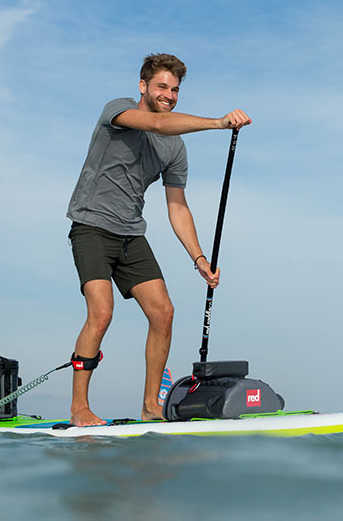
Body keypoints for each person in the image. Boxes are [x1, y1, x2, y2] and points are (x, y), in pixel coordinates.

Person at [66, 53, 251, 427]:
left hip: (131, 233)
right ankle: (79, 408)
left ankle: (151, 406)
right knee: (101, 313)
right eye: (162, 86)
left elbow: (178, 208)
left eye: (175, 89)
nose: (168, 94)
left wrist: (200, 260)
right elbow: (158, 123)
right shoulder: (117, 111)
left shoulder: (175, 149)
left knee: (163, 312)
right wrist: (218, 123)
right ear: (143, 86)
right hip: (92, 225)